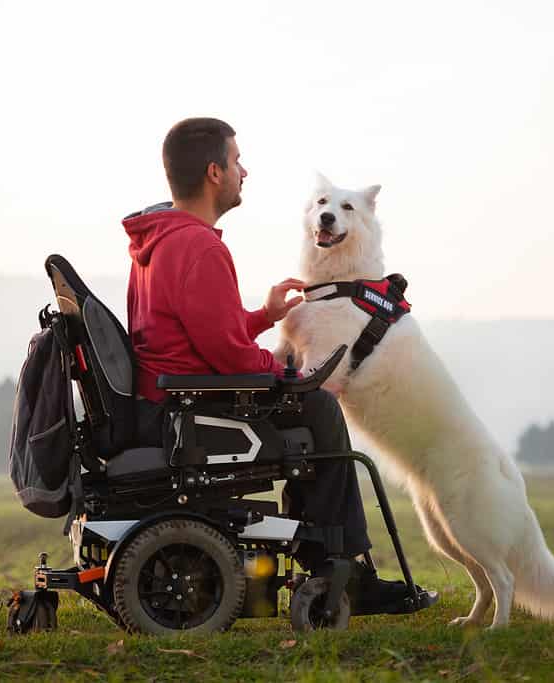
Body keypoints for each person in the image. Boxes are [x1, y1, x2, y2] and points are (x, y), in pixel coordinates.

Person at [121, 117, 432, 614]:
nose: (245, 170)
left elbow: (195, 338)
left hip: (171, 397)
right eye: (237, 160)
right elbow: (227, 357)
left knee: (309, 403)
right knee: (320, 410)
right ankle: (343, 567)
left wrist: (264, 317)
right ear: (214, 173)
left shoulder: (159, 241)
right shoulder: (198, 246)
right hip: (186, 410)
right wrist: (290, 376)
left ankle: (330, 560)